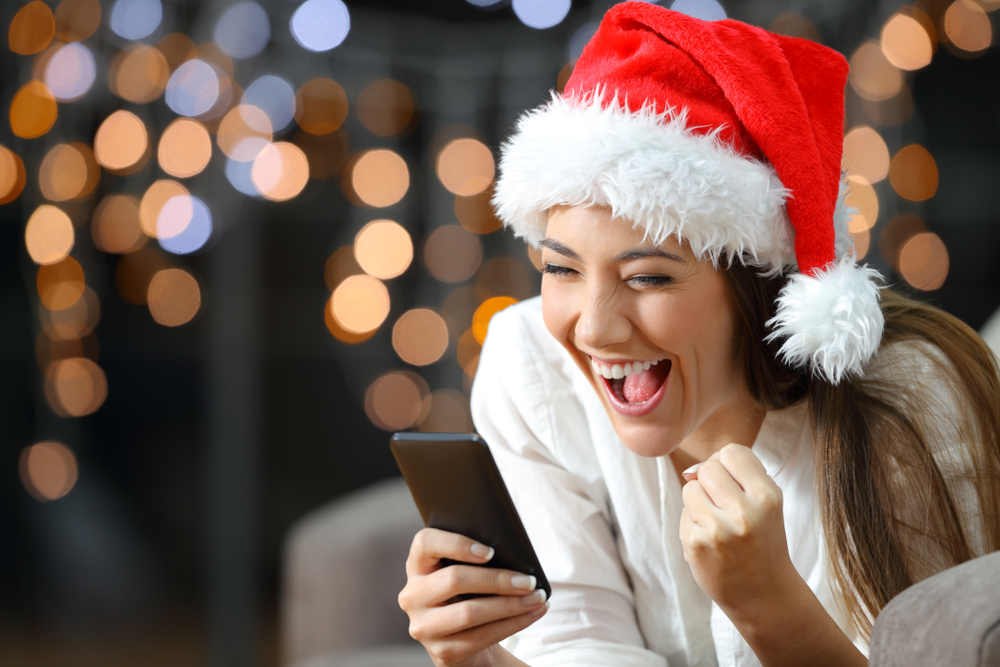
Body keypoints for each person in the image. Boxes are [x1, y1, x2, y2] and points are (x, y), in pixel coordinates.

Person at [397, 3, 1000, 666]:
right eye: (560, 267)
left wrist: (767, 603)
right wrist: (482, 657)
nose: (594, 326)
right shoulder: (530, 367)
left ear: (756, 287)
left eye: (650, 277)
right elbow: (578, 647)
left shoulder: (909, 406)